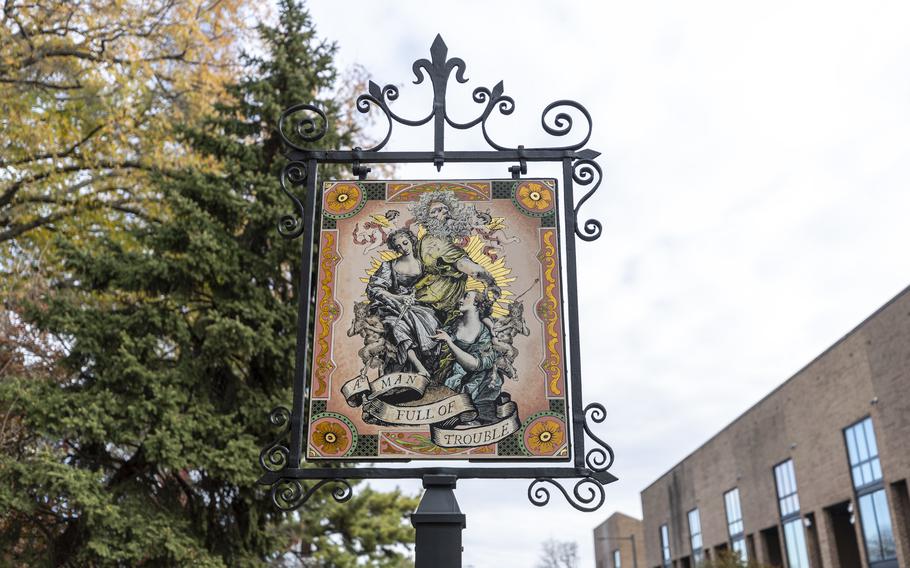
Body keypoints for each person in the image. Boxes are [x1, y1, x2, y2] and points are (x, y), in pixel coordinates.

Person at [410, 191, 501, 324]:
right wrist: (491, 282)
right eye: (437, 210)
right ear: (427, 219)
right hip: (436, 306)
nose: (445, 212)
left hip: (434, 303)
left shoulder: (426, 240)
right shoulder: (439, 242)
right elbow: (473, 270)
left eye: (446, 209)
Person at [366, 228, 439, 376]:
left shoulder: (425, 264)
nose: (403, 248)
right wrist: (398, 298)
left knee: (431, 323)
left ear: (412, 241)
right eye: (398, 246)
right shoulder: (389, 266)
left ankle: (427, 368)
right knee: (396, 327)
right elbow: (374, 289)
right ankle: (419, 368)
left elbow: (436, 286)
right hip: (393, 307)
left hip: (421, 307)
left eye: (405, 243)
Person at [433, 290, 502, 424]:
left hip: (476, 380)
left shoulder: (484, 334)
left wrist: (449, 343)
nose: (460, 300)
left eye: (466, 297)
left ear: (477, 303)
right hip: (452, 373)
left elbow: (475, 364)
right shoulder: (454, 323)